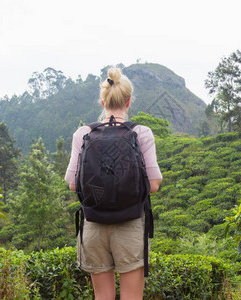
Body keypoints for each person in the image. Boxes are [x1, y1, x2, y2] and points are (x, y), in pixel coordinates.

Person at [64, 67, 163, 300]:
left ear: (102, 101)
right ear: (128, 102)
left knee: (103, 297)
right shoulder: (142, 133)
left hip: (94, 226)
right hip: (130, 224)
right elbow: (155, 184)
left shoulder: (83, 133)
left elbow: (71, 184)